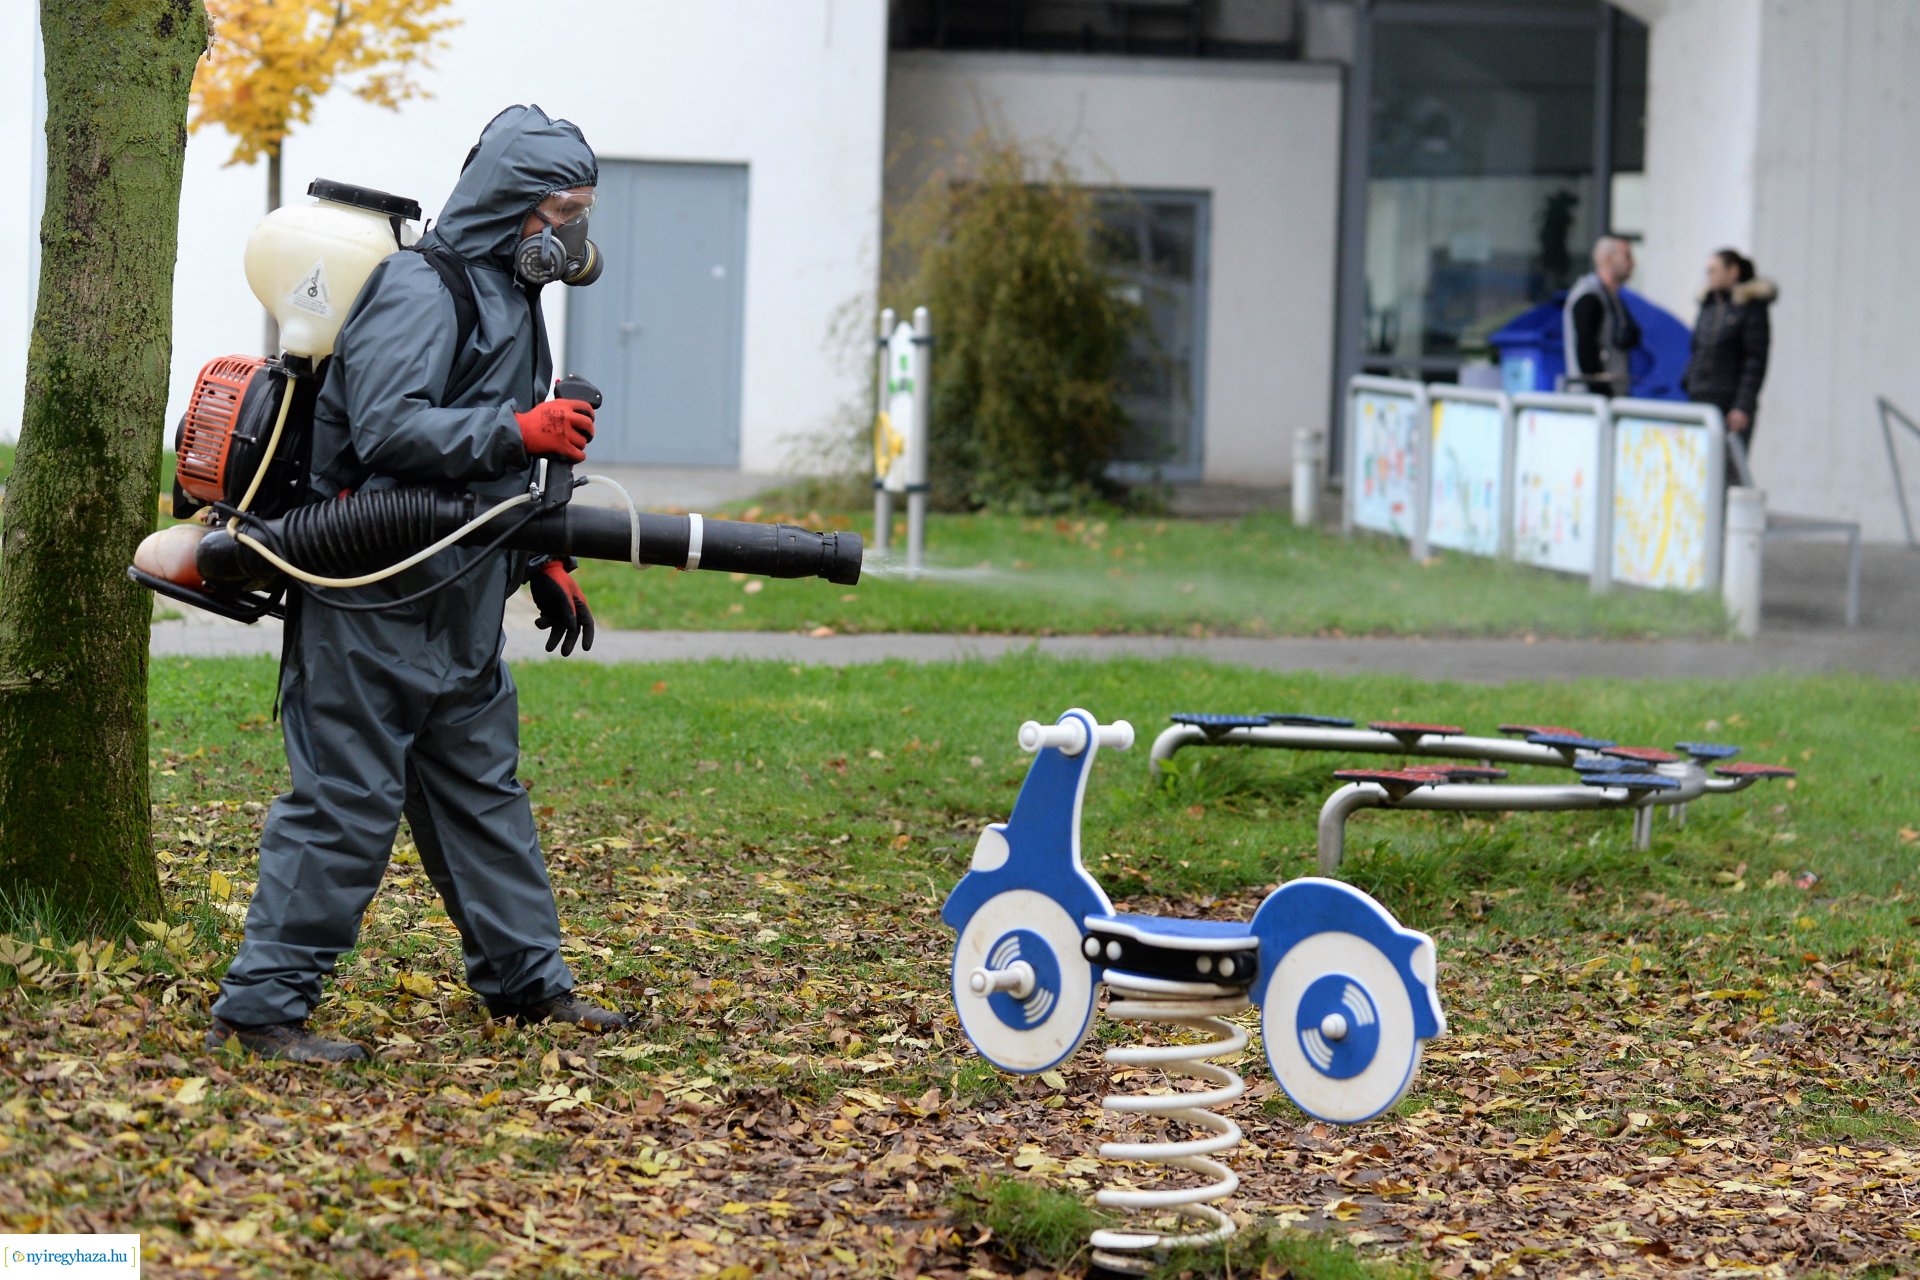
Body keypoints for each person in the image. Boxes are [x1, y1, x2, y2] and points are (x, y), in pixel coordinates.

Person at [207, 104, 629, 1063]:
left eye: (582, 212)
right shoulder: (417, 288)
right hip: (371, 598)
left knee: (484, 793)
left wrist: (541, 562)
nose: (570, 235)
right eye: (559, 210)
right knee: (344, 801)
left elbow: (492, 478)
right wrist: (519, 434)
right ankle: (262, 1008)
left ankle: (530, 989)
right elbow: (391, 431)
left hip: (462, 599)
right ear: (510, 204)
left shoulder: (513, 304)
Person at [1683, 247, 1776, 486]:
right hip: (1700, 399)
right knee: (1697, 470)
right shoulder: (1709, 305)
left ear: (1733, 271)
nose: (1709, 276)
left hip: (1730, 405)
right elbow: (1697, 350)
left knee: (1728, 473)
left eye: (1714, 270)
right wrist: (1688, 383)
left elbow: (1755, 360)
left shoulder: (1751, 309)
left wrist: (1742, 405)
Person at [1562, 235, 1643, 394]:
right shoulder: (1590, 297)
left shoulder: (1613, 299)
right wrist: (1604, 395)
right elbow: (1586, 352)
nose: (1633, 263)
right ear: (1608, 259)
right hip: (1592, 404)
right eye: (1627, 255)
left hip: (1607, 401)